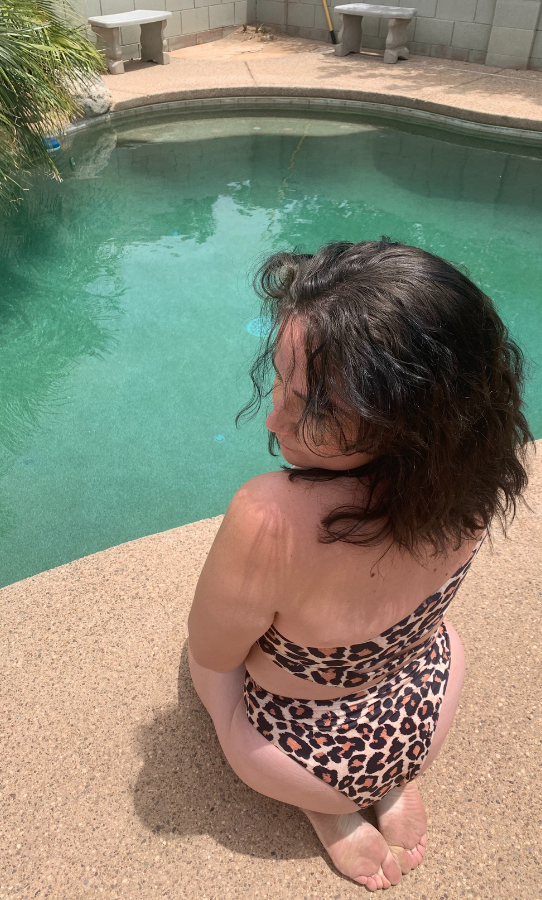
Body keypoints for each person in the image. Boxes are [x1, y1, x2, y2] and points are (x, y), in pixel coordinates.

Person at [187, 239, 531, 891]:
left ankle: (332, 806)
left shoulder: (268, 519)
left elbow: (216, 647)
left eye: (313, 408)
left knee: (202, 662)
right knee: (431, 635)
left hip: (292, 756)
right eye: (285, 388)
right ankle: (391, 782)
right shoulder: (479, 476)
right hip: (424, 710)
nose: (273, 416)